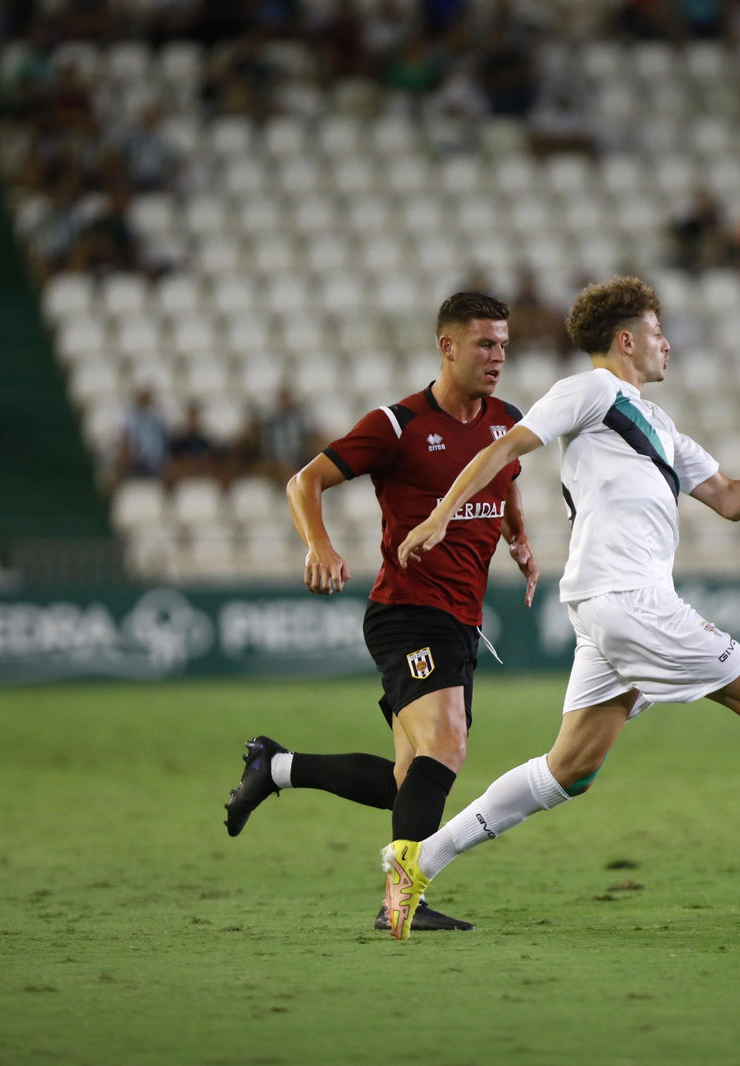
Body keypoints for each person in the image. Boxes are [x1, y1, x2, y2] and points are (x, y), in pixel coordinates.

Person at [378, 277, 740, 937]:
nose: (666, 344)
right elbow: (504, 448)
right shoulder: (589, 390)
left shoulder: (662, 427)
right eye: (656, 332)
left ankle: (418, 859)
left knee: (568, 770)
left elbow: (730, 498)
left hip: (613, 606)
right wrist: (444, 515)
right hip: (627, 600)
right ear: (626, 340)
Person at [222, 293, 542, 935]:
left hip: (459, 618)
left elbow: (499, 481)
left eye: (504, 344)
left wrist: (518, 538)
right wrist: (320, 544)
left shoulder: (507, 419)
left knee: (410, 783)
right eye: (485, 344)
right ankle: (405, 901)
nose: (498, 356)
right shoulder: (396, 425)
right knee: (447, 745)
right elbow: (303, 482)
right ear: (447, 347)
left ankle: (275, 766)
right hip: (409, 612)